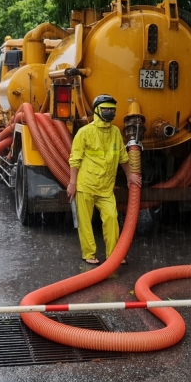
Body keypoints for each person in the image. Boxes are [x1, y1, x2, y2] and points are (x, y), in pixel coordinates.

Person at [67, 94, 142, 265]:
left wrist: (130, 175)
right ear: (97, 111)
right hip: (85, 185)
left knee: (111, 218)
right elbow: (75, 159)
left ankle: (113, 255)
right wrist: (72, 183)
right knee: (85, 223)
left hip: (106, 188)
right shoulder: (85, 132)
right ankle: (89, 253)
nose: (109, 112)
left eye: (112, 110)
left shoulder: (115, 131)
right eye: (106, 109)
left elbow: (123, 157)